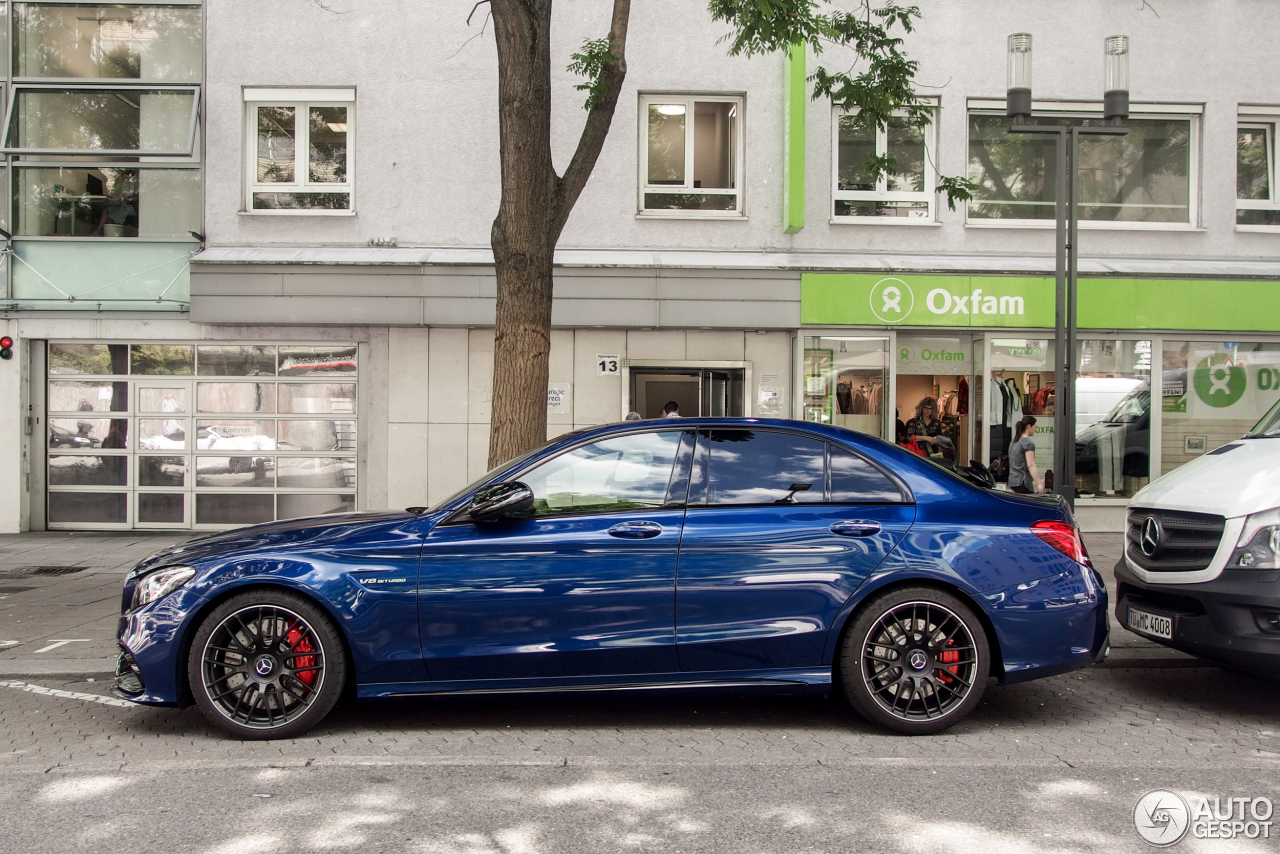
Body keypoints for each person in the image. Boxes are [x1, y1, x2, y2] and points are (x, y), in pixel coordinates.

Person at [1007, 416, 1042, 494]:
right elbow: (1031, 465)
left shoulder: (1013, 442)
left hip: (1013, 481)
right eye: (1034, 427)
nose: (1035, 429)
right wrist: (1039, 483)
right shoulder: (1028, 443)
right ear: (1029, 426)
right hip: (1023, 481)